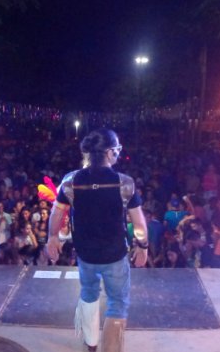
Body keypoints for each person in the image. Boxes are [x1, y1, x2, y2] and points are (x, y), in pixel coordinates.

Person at [46, 129, 148, 352]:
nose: (118, 153)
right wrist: (142, 246)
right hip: (115, 255)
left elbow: (57, 213)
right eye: (117, 149)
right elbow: (139, 223)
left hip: (86, 254)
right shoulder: (125, 183)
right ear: (110, 153)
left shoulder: (71, 181)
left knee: (89, 293)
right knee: (117, 303)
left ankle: (91, 343)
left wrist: (52, 238)